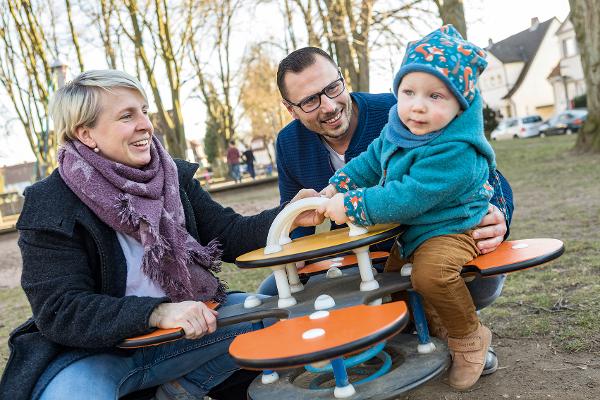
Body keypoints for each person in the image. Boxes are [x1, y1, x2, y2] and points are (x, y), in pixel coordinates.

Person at [0, 70, 322, 400]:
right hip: (94, 355)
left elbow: (228, 233)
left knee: (277, 319)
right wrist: (157, 312)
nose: (145, 125)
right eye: (127, 116)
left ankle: (179, 391)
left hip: (187, 333)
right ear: (86, 134)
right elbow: (61, 309)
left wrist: (290, 216)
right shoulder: (51, 203)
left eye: (144, 111)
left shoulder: (172, 177)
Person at [263, 46, 515, 373]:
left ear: (343, 77)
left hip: (422, 238)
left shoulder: (400, 108)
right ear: (290, 109)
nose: (328, 106)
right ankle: (372, 336)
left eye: (332, 88)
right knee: (271, 301)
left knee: (458, 276)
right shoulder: (288, 144)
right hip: (353, 260)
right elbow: (297, 222)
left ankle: (457, 333)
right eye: (310, 101)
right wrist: (301, 233)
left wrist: (498, 211)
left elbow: (480, 171)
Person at [318, 25, 495, 390]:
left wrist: (352, 205)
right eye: (408, 91)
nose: (417, 105)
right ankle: (440, 331)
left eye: (435, 96)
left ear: (460, 103)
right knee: (394, 283)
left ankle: (470, 339)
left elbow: (407, 196)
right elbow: (370, 161)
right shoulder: (400, 127)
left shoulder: (457, 149)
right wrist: (334, 187)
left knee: (430, 275)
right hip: (416, 231)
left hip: (453, 226)